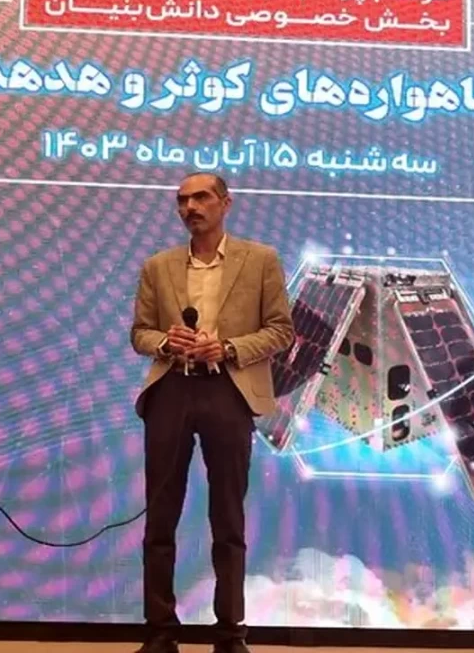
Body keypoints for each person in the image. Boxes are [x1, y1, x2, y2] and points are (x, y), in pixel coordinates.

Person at [130, 173, 294, 653]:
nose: (190, 207)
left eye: (201, 197)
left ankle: (230, 634)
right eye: (183, 200)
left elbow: (281, 330)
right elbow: (139, 332)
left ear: (226, 203)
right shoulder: (157, 266)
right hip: (171, 391)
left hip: (228, 390)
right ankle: (161, 633)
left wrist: (228, 348)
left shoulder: (260, 259)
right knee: (160, 516)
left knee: (228, 518)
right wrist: (165, 342)